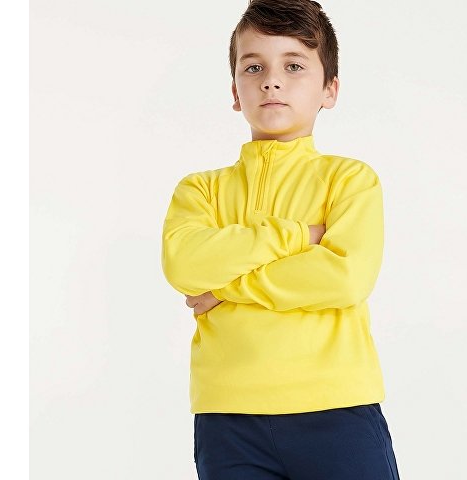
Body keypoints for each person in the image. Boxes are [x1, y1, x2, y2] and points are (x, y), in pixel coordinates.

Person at [161, 1, 401, 478]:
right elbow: (184, 266)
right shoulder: (200, 189)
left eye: (294, 66)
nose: (271, 81)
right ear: (236, 91)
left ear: (329, 89)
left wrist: (225, 288)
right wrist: (297, 236)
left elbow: (344, 278)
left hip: (336, 409)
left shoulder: (349, 180)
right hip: (227, 418)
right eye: (254, 67)